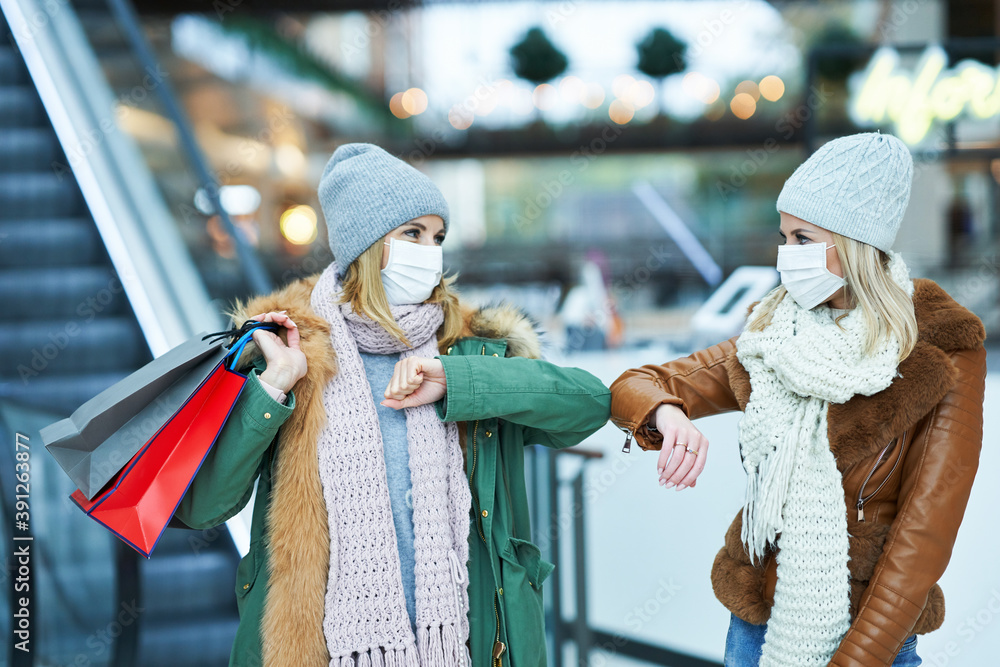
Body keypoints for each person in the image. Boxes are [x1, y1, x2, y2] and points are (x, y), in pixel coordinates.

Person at [173, 143, 611, 667]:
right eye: (412, 234)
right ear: (367, 243)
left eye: (438, 236)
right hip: (326, 651)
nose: (431, 250)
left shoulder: (471, 345)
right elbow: (203, 506)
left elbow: (589, 404)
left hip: (466, 646)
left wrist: (457, 381)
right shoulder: (289, 349)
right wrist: (273, 390)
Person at [609, 132, 987, 666]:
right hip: (755, 630)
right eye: (783, 237)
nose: (787, 256)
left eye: (803, 239)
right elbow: (638, 382)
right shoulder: (773, 334)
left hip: (873, 642)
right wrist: (668, 413)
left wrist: (856, 659)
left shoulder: (941, 347)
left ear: (854, 243)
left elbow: (923, 536)